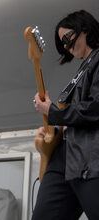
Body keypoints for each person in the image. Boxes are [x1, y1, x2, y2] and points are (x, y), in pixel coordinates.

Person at [32, 10, 99, 220]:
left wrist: (52, 111)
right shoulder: (84, 67)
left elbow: (96, 108)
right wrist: (53, 129)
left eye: (68, 38)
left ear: (85, 29)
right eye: (62, 43)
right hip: (66, 155)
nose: (66, 46)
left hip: (90, 158)